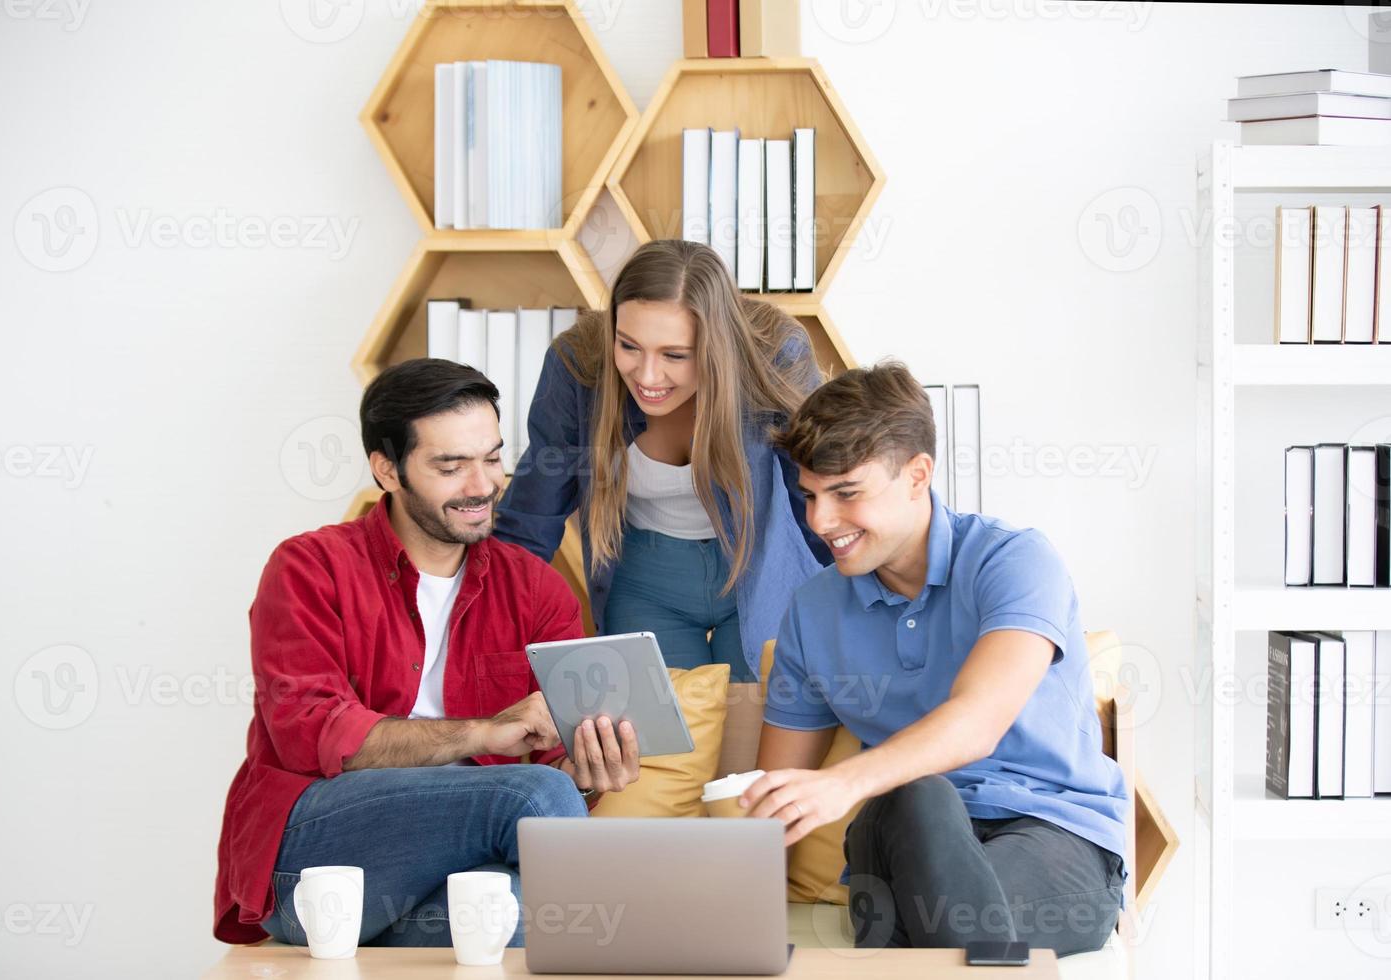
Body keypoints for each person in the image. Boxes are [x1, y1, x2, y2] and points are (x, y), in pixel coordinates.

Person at [212, 359, 642, 949]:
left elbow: (554, 775)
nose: (483, 486)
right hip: (316, 865)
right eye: (450, 466)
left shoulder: (536, 590)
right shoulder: (309, 569)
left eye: (491, 458)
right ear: (387, 470)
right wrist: (486, 734)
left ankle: (367, 944)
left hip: (433, 877)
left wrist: (589, 775)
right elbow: (310, 733)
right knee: (529, 798)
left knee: (505, 909)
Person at [740, 362, 1128, 956]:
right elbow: (776, 801)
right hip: (898, 838)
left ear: (918, 475)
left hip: (1052, 833)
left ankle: (924, 956)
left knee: (939, 895)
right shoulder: (811, 611)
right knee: (916, 797)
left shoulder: (1014, 562)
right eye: (810, 495)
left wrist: (843, 783)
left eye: (846, 493)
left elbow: (978, 718)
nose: (820, 522)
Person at [495, 240, 829, 682]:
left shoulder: (776, 353)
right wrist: (487, 633)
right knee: (661, 739)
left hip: (757, 565)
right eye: (629, 347)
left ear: (716, 347)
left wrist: (857, 603)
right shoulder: (577, 365)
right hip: (644, 576)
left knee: (757, 727)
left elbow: (814, 492)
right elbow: (531, 518)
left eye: (674, 355)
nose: (648, 377)